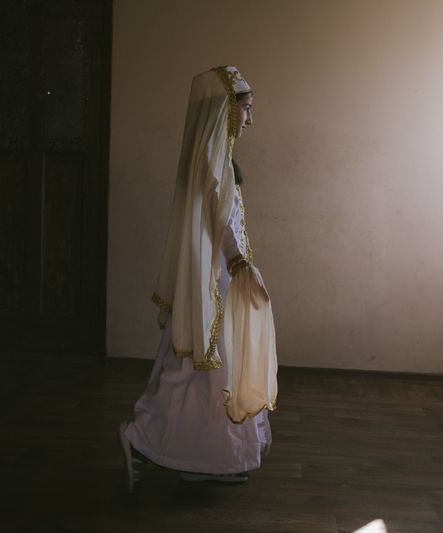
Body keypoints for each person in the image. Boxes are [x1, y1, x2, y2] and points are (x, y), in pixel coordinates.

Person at [119, 66, 278, 492]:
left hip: (216, 278)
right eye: (245, 109)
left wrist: (238, 266)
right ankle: (151, 441)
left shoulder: (217, 156)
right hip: (213, 280)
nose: (250, 119)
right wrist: (241, 266)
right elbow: (221, 220)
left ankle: (198, 455)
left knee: (202, 370)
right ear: (225, 111)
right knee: (200, 370)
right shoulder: (211, 158)